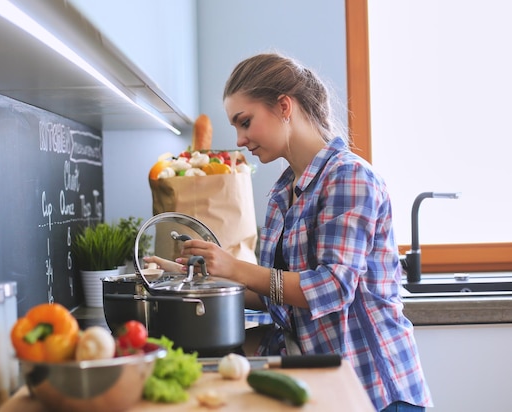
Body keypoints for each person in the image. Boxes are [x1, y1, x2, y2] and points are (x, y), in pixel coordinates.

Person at [172, 52, 433, 412]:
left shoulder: (349, 177)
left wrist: (235, 267)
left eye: (245, 122)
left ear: (283, 106)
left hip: (373, 387)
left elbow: (333, 288)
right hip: (324, 383)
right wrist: (197, 279)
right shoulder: (283, 191)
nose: (241, 139)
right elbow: (277, 294)